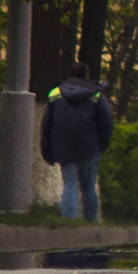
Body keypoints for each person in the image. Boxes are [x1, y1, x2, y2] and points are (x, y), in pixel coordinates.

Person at [40, 61, 116, 221]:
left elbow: (46, 124)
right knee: (88, 188)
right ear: (86, 74)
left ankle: (69, 223)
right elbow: (107, 122)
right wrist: (101, 145)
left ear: (70, 75)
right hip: (89, 146)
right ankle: (91, 222)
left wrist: (47, 150)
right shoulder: (95, 93)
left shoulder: (56, 93)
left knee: (69, 184)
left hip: (63, 146)